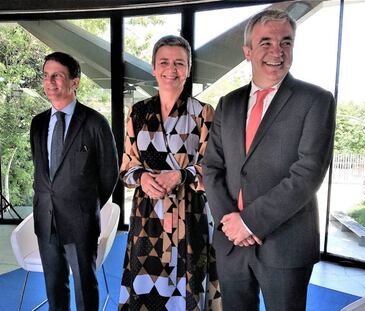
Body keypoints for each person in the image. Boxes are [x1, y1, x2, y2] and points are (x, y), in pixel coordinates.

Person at [203, 9, 336, 311]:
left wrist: (249, 223)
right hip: (230, 243)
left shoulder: (316, 100)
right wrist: (231, 224)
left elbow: (307, 174)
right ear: (247, 51)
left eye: (286, 42)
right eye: (266, 43)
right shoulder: (229, 103)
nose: (277, 51)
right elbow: (212, 167)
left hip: (285, 246)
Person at [118, 35, 222, 310]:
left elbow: (212, 166)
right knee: (146, 286)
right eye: (164, 62)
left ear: (188, 69)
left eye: (179, 63)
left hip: (190, 215)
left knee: (189, 286)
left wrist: (180, 175)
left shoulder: (203, 113)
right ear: (153, 68)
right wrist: (141, 177)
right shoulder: (137, 112)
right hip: (147, 216)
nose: (171, 69)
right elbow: (127, 166)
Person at [30, 51, 119, 311]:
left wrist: (85, 204)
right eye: (46, 76)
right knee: (54, 284)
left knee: (84, 285)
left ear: (75, 82)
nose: (50, 82)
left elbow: (109, 173)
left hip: (80, 219)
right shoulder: (38, 123)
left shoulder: (95, 123)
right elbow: (41, 170)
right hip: (46, 218)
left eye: (57, 76)